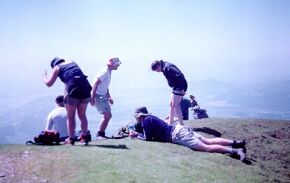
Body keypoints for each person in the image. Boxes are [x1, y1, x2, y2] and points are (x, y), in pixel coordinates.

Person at [129, 106, 246, 161]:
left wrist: (137, 136)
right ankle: (237, 143)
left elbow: (148, 138)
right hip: (180, 129)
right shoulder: (151, 117)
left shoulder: (145, 122)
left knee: (206, 147)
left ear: (139, 116)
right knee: (208, 140)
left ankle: (235, 151)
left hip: (178, 135)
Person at [42, 57, 92, 145]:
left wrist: (44, 76)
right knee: (82, 115)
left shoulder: (56, 68)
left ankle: (71, 139)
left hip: (72, 91)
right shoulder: (73, 62)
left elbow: (49, 84)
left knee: (71, 117)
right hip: (85, 89)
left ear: (54, 65)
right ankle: (84, 137)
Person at [90, 57, 121, 140]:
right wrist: (92, 98)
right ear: (113, 64)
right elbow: (95, 84)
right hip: (98, 95)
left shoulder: (108, 71)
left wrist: (109, 97)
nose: (118, 65)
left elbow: (105, 86)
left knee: (108, 115)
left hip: (102, 95)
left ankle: (101, 134)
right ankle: (100, 135)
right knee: (107, 115)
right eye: (117, 63)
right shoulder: (104, 72)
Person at [151, 60, 187, 125]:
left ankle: (181, 125)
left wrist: (181, 89)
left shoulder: (168, 67)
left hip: (179, 87)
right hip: (176, 87)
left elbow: (180, 75)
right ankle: (170, 123)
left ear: (158, 66)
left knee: (175, 105)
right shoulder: (164, 66)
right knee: (171, 104)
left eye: (157, 70)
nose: (158, 72)